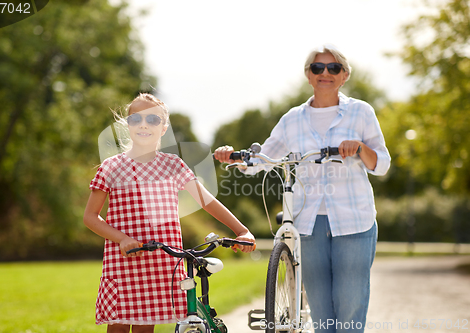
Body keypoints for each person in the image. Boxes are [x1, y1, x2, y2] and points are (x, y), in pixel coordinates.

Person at [214, 45, 390, 333]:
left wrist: (359, 148)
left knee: (349, 309)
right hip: (309, 223)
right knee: (321, 314)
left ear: (344, 75)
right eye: (317, 68)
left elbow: (382, 164)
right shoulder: (292, 119)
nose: (325, 73)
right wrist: (235, 155)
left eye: (333, 68)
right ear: (308, 75)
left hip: (354, 221)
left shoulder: (360, 112)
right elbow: (263, 158)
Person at [84, 93, 256, 333]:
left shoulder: (173, 165)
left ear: (163, 128)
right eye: (136, 118)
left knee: (145, 329)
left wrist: (242, 230)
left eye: (153, 119)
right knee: (119, 328)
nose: (144, 124)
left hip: (160, 261)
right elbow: (90, 216)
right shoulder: (111, 167)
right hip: (122, 263)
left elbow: (206, 201)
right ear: (127, 124)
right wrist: (121, 239)